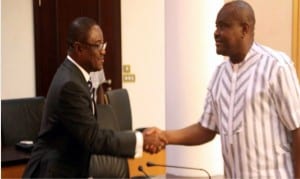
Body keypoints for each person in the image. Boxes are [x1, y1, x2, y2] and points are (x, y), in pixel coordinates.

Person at [145, 1, 300, 178]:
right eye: (216, 26)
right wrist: (165, 136)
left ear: (245, 29)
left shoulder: (276, 67)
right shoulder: (219, 75)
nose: (216, 33)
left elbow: (297, 127)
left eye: (224, 26)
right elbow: (207, 128)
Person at [22, 17, 166, 178]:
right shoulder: (70, 85)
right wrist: (140, 140)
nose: (103, 51)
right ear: (79, 48)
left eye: (103, 44)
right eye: (97, 45)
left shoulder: (76, 76)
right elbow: (93, 138)